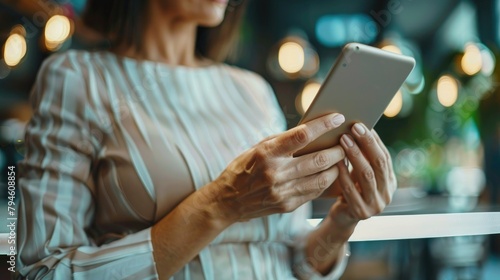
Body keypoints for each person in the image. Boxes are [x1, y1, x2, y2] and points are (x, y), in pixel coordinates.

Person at [17, 0, 396, 279]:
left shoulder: (252, 91)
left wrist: (342, 221)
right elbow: (43, 270)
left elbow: (297, 259)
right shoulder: (78, 79)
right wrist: (221, 203)